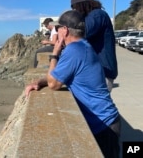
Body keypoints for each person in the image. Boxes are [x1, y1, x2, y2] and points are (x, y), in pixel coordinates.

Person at [25, 10, 121, 158]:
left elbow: (54, 84)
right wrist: (39, 81)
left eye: (58, 28)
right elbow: (59, 75)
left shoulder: (74, 50)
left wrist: (55, 52)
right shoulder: (83, 46)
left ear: (65, 30)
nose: (56, 31)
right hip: (107, 120)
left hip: (103, 125)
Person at [70, 0, 118, 92]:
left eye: (75, 8)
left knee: (96, 107)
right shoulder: (95, 15)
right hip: (98, 72)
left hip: (102, 73)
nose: (74, 11)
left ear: (81, 5)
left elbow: (83, 32)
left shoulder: (97, 14)